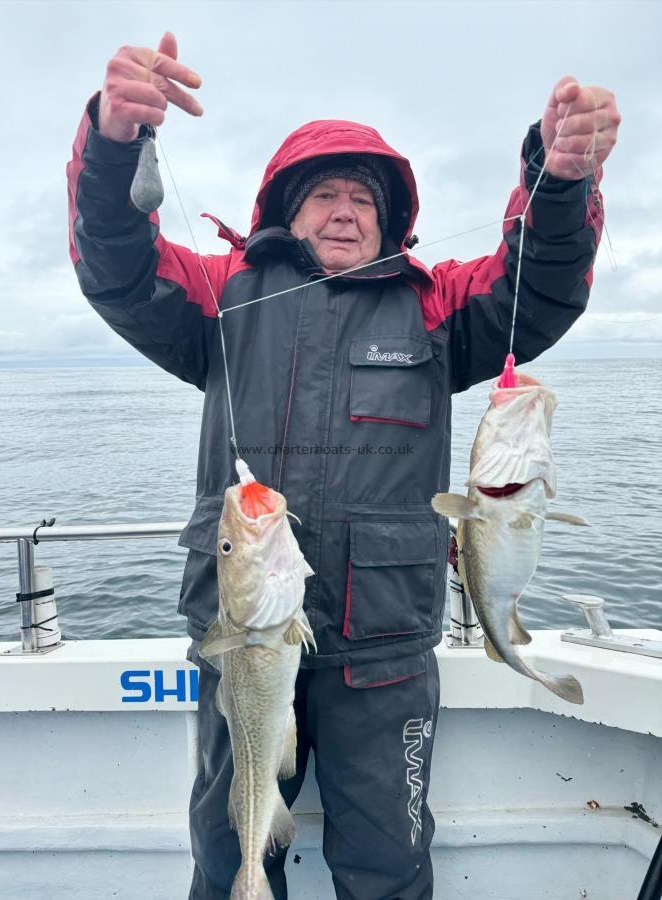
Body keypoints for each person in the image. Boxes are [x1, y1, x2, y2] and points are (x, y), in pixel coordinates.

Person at [67, 32, 620, 900]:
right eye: (323, 193)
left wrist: (560, 182)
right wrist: (112, 144)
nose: (343, 211)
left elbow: (537, 288)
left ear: (389, 220)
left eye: (362, 199)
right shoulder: (223, 296)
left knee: (389, 867)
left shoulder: (436, 305)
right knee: (229, 858)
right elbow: (115, 268)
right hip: (244, 642)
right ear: (286, 209)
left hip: (385, 652)